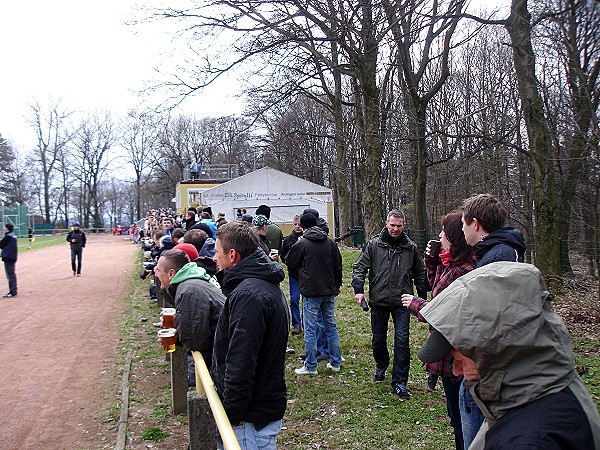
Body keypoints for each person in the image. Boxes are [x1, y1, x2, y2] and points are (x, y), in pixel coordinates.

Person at [418, 262, 600, 450]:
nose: (456, 371)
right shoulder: (543, 393)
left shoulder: (527, 440)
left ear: (494, 349)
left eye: (458, 359)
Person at [401, 211, 476, 449]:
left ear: (455, 237)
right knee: (456, 417)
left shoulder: (462, 270)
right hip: (446, 350)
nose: (440, 236)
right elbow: (437, 291)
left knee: (462, 420)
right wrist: (432, 264)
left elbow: (440, 311)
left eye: (444, 231)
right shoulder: (451, 263)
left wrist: (414, 304)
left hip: (457, 352)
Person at [211, 221, 289, 450]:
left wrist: (231, 415)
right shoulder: (255, 287)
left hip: (249, 419)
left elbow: (241, 362)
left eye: (217, 252)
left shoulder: (249, 296)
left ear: (232, 254)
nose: (214, 258)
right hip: (255, 411)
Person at [459, 193, 527, 447]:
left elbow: (493, 316)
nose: (463, 230)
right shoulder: (497, 251)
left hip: (490, 368)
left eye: (464, 224)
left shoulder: (498, 257)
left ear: (475, 224)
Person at [352, 209, 427, 399]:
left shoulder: (410, 248)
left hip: (403, 302)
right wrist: (358, 290)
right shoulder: (374, 245)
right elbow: (359, 267)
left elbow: (419, 274)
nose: (395, 229)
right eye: (392, 225)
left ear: (404, 226)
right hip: (379, 300)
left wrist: (421, 301)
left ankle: (400, 382)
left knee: (402, 341)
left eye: (399, 226)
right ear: (386, 223)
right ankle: (381, 363)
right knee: (378, 340)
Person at [155, 248, 225, 385]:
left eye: (158, 270)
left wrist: (177, 337)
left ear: (171, 273)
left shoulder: (189, 291)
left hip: (222, 359)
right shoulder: (192, 282)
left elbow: (195, 340)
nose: (156, 274)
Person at [287, 212, 343, 375]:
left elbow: (290, 262)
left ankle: (311, 365)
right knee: (330, 326)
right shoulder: (330, 242)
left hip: (311, 292)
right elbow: (338, 265)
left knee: (310, 329)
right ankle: (336, 361)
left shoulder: (302, 244)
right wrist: (337, 285)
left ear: (303, 226)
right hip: (328, 289)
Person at [280, 214, 303, 335]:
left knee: (307, 301)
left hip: (306, 274)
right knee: (294, 299)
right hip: (294, 274)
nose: (297, 226)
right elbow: (282, 255)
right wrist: (288, 261)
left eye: (299, 224)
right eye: (295, 224)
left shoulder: (307, 239)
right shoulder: (288, 240)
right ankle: (296, 324)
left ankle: (306, 322)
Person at [0, 223, 18, 298]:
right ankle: (14, 290)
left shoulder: (8, 236)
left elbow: (1, 245)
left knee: (10, 275)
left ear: (7, 229)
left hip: (8, 257)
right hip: (13, 257)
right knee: (12, 274)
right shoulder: (14, 235)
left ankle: (12, 292)